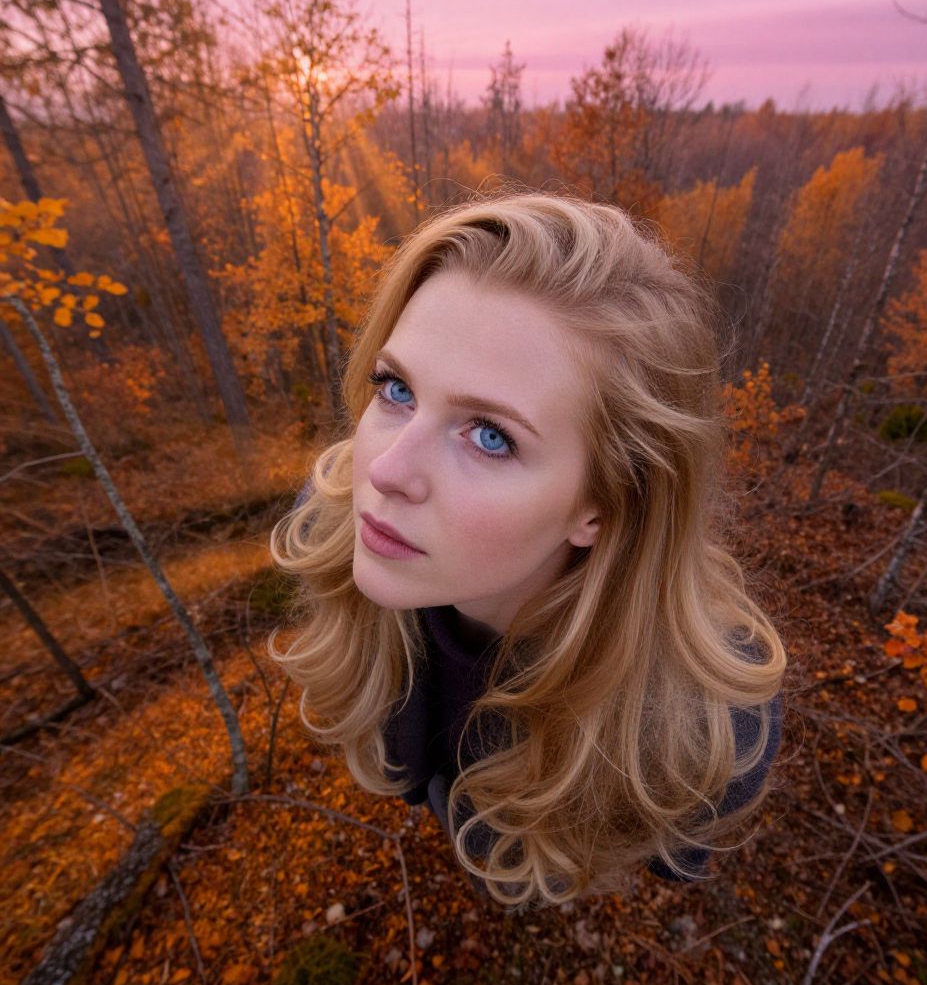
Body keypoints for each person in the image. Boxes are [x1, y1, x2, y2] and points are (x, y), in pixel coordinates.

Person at [268, 189, 787, 911]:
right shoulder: (328, 530)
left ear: (603, 507)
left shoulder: (707, 727)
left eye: (490, 437)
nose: (382, 470)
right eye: (397, 390)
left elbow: (672, 857)